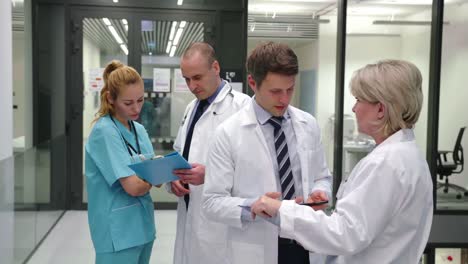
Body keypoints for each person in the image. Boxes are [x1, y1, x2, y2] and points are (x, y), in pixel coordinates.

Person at [250, 59, 433, 263]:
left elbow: (345, 234)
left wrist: (281, 209)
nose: (354, 109)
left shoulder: (386, 163)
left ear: (380, 110)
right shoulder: (407, 155)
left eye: (359, 100)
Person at [202, 42, 333, 264]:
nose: (284, 99)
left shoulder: (307, 124)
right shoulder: (228, 133)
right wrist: (252, 206)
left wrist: (320, 193)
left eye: (290, 89)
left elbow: (322, 176)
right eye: (275, 91)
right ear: (253, 82)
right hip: (257, 246)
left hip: (305, 242)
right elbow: (212, 202)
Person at [168, 42, 250, 264]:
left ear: (215, 68)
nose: (192, 85)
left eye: (197, 77)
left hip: (220, 223)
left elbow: (253, 169)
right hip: (190, 208)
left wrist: (210, 175)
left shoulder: (243, 108)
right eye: (186, 79)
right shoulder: (192, 108)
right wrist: (173, 177)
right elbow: (180, 150)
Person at [85, 60, 156, 264]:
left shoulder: (139, 130)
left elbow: (152, 177)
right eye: (128, 103)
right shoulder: (104, 131)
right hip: (117, 232)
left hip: (143, 227)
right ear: (111, 98)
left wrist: (148, 178)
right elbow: (134, 187)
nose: (136, 108)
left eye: (141, 100)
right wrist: (151, 176)